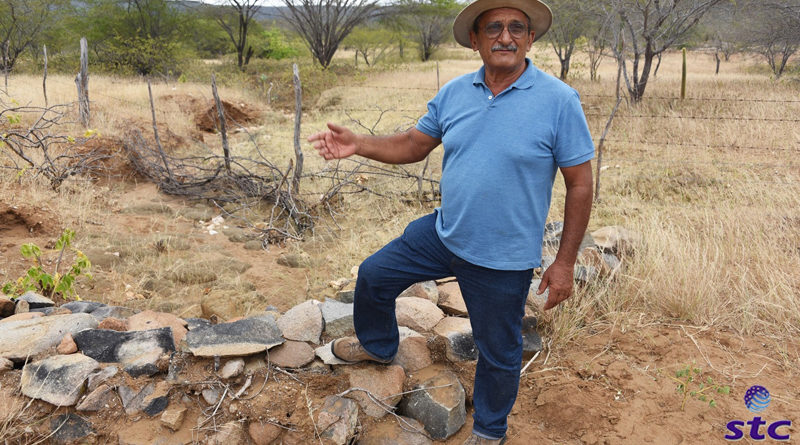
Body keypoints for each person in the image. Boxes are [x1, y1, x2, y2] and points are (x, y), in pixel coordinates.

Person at [308, 0, 594, 443]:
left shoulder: (558, 101)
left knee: (499, 352)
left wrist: (565, 262)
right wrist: (358, 144)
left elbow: (579, 184)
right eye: (494, 28)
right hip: (444, 233)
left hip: (503, 257)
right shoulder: (456, 93)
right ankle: (380, 346)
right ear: (476, 40)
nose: (505, 36)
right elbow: (412, 145)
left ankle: (490, 430)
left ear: (530, 39)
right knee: (374, 275)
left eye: (517, 27)